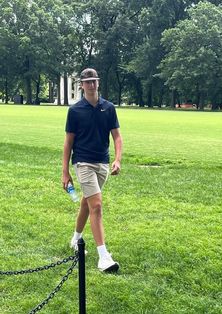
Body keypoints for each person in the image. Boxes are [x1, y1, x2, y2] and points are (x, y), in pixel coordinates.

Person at [62, 68, 123, 272]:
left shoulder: (109, 108)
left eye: (94, 81)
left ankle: (75, 239)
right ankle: (103, 257)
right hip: (83, 162)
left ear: (98, 83)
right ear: (82, 85)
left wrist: (117, 160)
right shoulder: (75, 110)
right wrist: (65, 172)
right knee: (96, 205)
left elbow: (117, 136)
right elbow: (68, 142)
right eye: (87, 82)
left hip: (102, 163)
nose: (91, 85)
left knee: (87, 204)